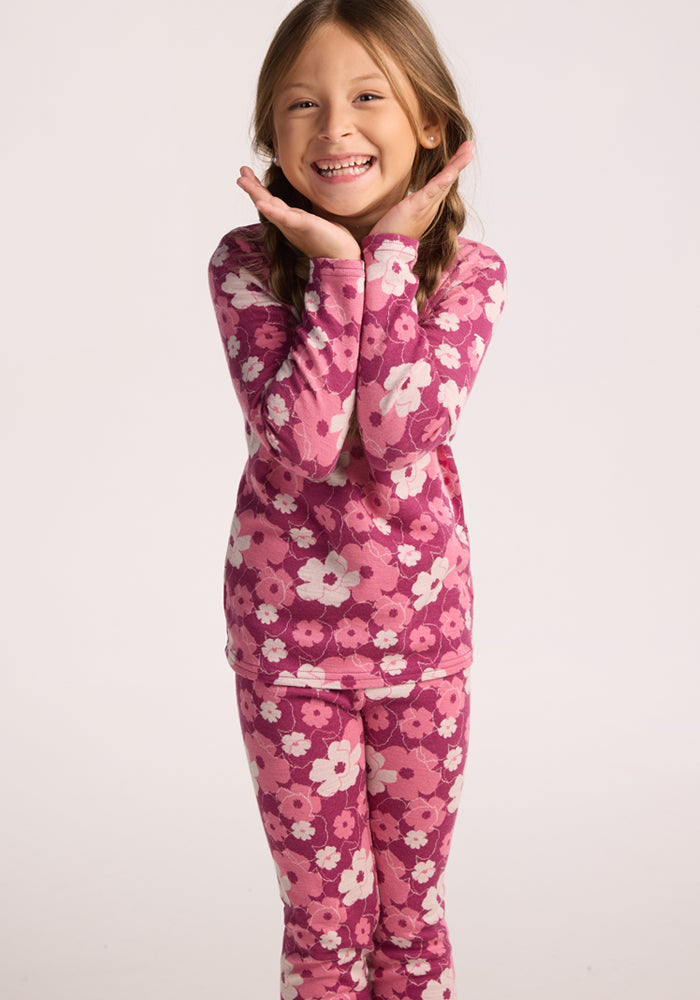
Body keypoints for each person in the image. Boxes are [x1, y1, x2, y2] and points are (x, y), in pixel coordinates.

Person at [207, 1, 507, 997]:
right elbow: (300, 440)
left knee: (411, 914)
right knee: (326, 921)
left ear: (429, 123)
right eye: (302, 105)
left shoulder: (465, 276)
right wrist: (336, 269)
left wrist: (384, 258)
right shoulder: (245, 268)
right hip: (290, 656)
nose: (334, 127)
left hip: (422, 648)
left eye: (366, 96)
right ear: (273, 137)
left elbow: (397, 429)